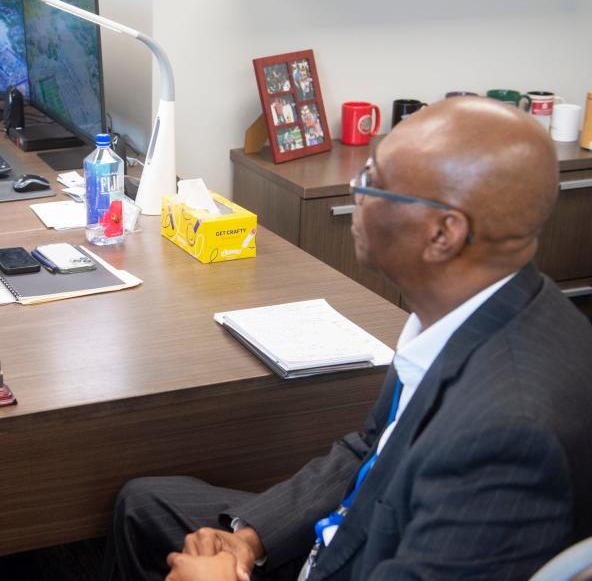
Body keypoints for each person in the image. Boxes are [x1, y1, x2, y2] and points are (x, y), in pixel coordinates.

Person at [107, 97, 592, 580]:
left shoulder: (510, 436)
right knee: (143, 506)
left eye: (373, 183)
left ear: (443, 234)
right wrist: (250, 536)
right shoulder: (464, 311)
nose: (357, 193)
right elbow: (373, 450)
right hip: (359, 529)